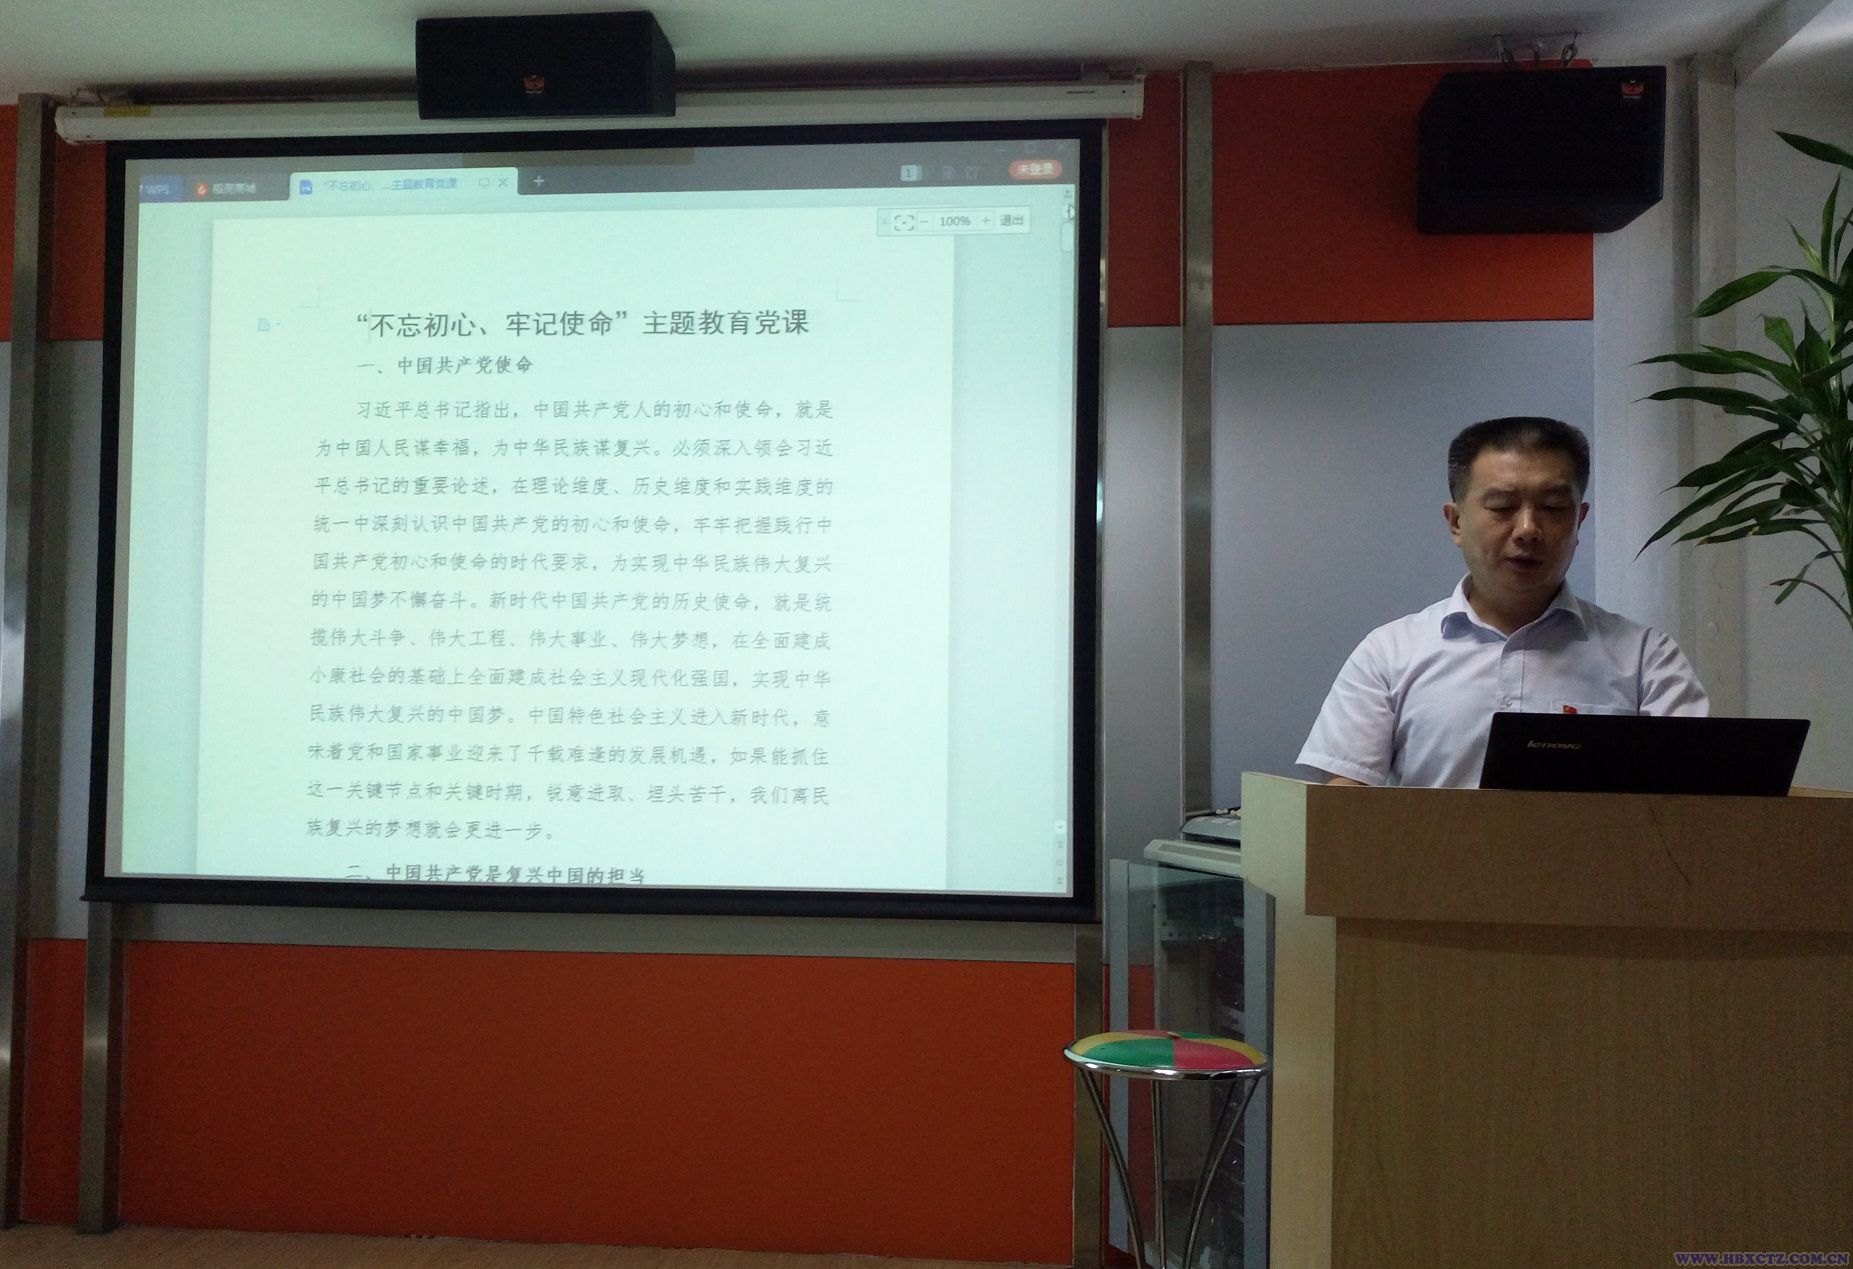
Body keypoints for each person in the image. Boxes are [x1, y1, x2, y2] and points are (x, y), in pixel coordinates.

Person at [1297, 416, 1708, 788]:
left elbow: (1700, 801)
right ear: (1456, 522)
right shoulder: (1390, 654)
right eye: (1502, 507)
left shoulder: (1646, 658)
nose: (1528, 529)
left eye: (1553, 507)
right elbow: (1345, 805)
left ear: (1578, 520)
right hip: (1433, 852)